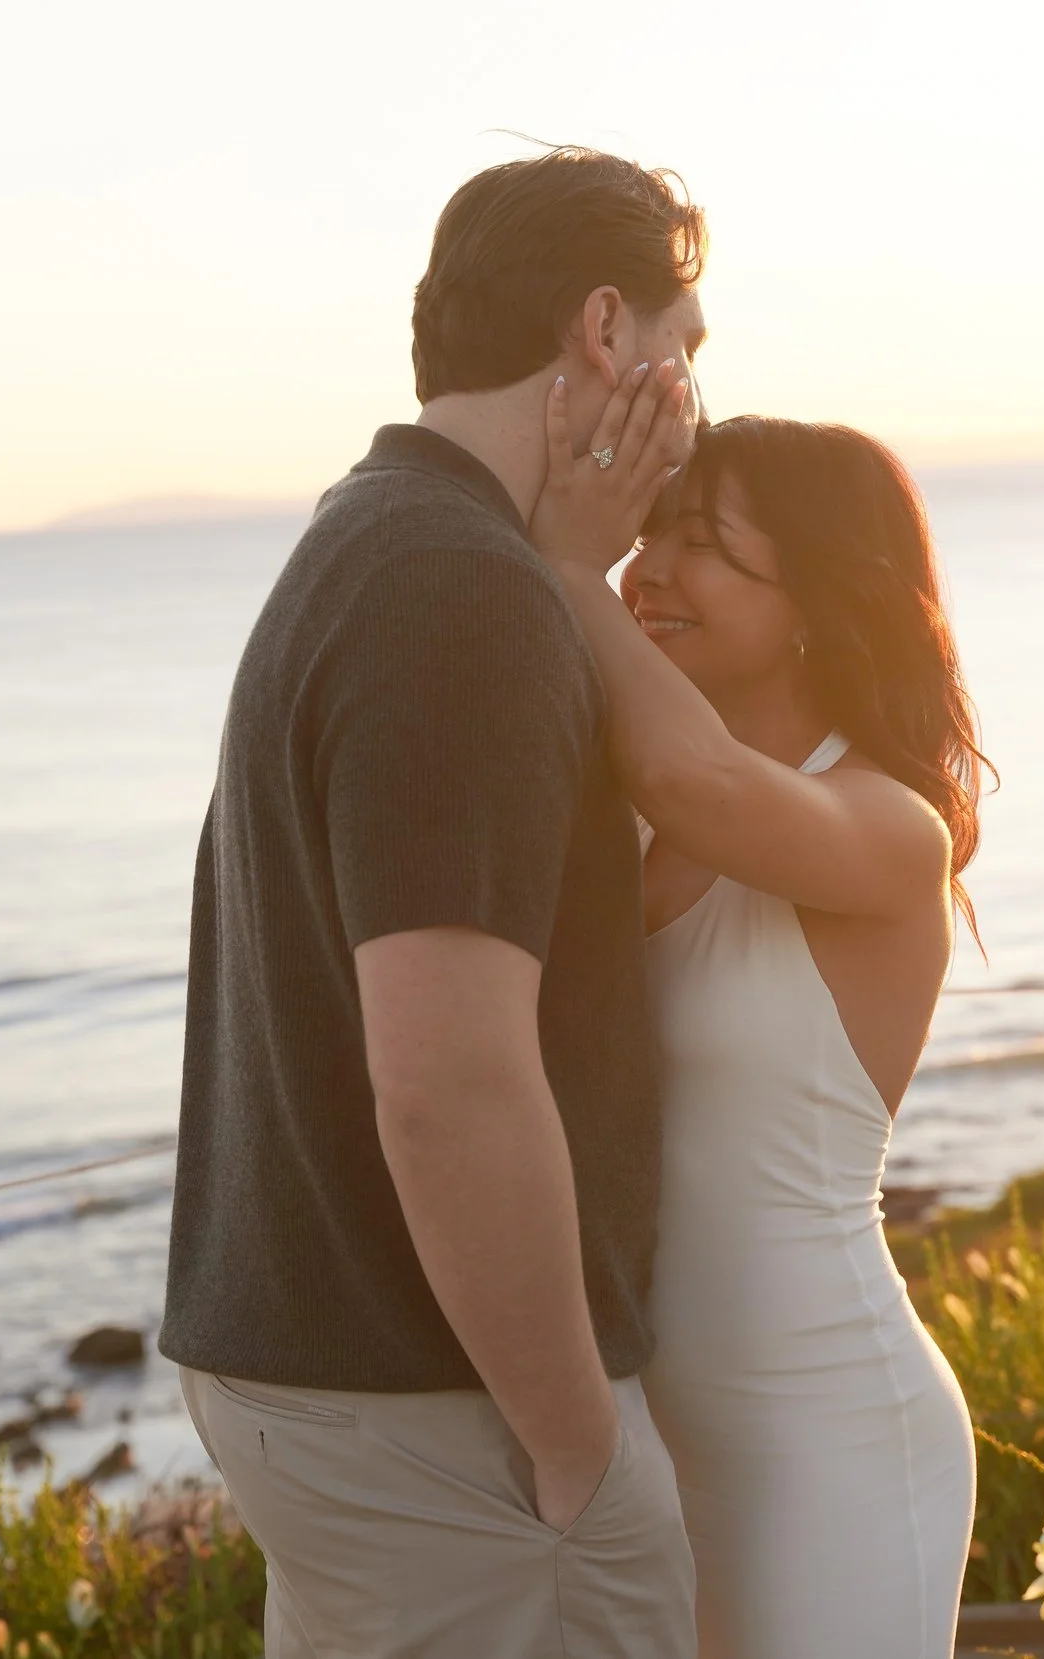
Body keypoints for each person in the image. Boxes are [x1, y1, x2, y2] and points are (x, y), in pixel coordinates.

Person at [159, 147, 707, 1657]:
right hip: (444, 1411)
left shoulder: (379, 535)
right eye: (686, 349)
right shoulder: (459, 595)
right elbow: (449, 1081)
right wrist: (579, 1441)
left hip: (334, 1376)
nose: (692, 399)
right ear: (605, 333)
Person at [528, 374, 987, 1658]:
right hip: (643, 1436)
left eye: (704, 545)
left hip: (829, 1427)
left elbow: (697, 771)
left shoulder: (886, 825)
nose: (648, 569)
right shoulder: (623, 810)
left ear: (812, 609)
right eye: (649, 532)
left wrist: (563, 561)